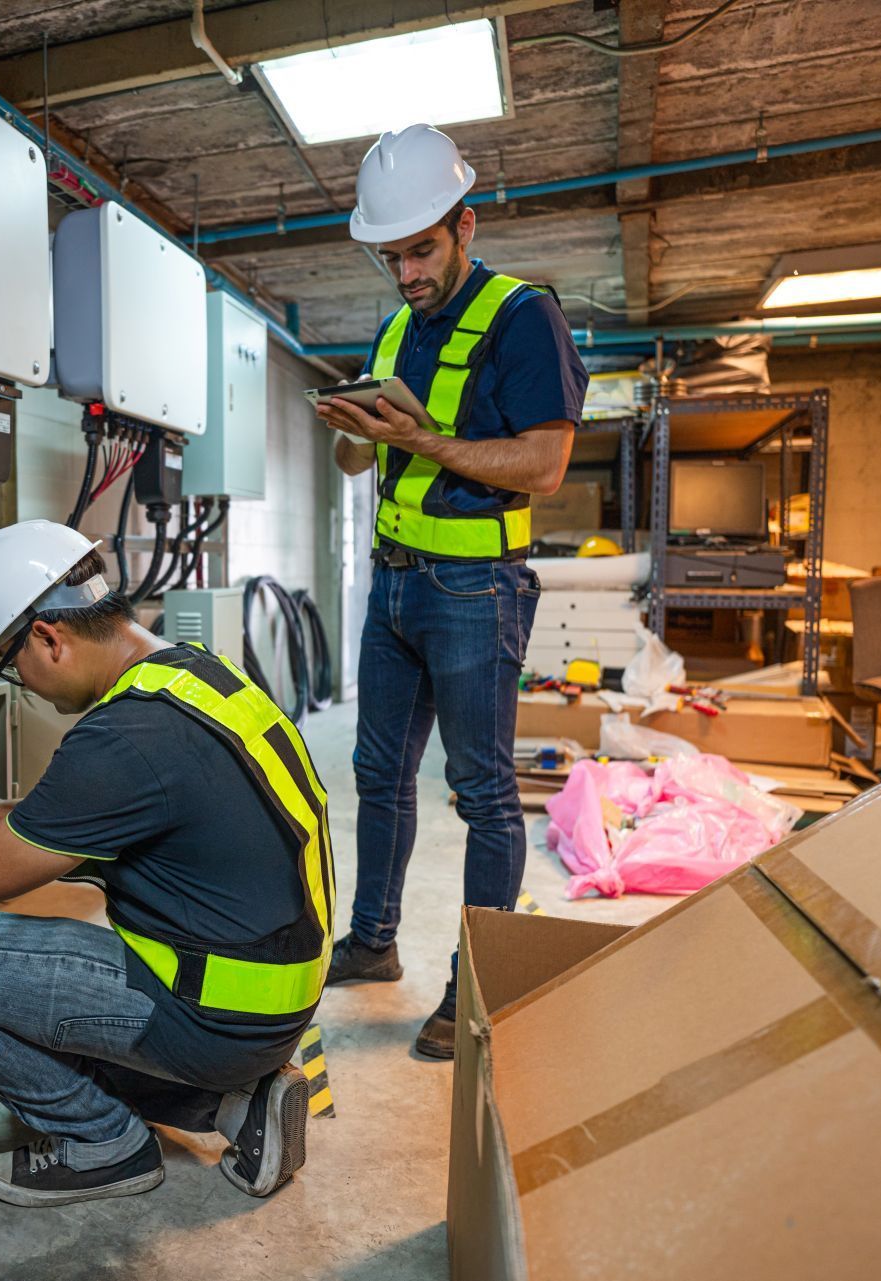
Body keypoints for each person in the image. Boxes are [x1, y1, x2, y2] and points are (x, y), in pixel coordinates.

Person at [0, 519, 335, 1208]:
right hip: (272, 1000)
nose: (23, 684)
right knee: (52, 980)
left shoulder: (123, 737)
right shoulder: (192, 673)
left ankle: (103, 1142)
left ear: (48, 637)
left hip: (214, 1014)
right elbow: (146, 815)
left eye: (13, 664)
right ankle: (235, 1104)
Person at [311, 124, 587, 1061]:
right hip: (393, 585)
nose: (406, 273)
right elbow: (363, 457)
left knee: (483, 793)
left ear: (465, 224)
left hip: (476, 590)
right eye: (391, 256)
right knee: (376, 776)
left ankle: (476, 983)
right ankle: (374, 941)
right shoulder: (397, 327)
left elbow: (545, 464)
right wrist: (351, 428)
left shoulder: (522, 316)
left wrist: (425, 439)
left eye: (420, 250)